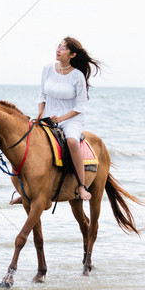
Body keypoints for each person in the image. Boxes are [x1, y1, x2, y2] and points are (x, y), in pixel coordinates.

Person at [37, 36, 102, 201]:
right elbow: (42, 95)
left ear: (72, 55)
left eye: (63, 48)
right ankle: (26, 188)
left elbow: (81, 107)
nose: (58, 49)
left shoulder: (77, 76)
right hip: (48, 116)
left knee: (72, 141)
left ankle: (81, 185)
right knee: (29, 139)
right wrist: (40, 113)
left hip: (71, 119)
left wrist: (61, 119)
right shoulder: (47, 69)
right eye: (58, 46)